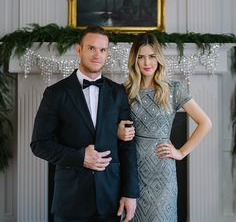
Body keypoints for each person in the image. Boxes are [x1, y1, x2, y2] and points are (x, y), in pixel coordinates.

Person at [30, 26, 139, 222]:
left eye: (103, 50)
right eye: (91, 48)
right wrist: (80, 157)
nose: (97, 55)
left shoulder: (118, 93)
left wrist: (130, 193)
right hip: (70, 200)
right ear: (78, 50)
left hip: (110, 197)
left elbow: (127, 146)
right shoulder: (55, 94)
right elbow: (39, 144)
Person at [117, 32, 212, 222]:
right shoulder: (124, 91)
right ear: (134, 60)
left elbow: (205, 123)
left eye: (152, 56)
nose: (147, 62)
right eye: (141, 57)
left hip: (162, 174)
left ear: (158, 58)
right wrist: (118, 131)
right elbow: (111, 127)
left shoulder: (174, 89)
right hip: (131, 171)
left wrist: (181, 152)